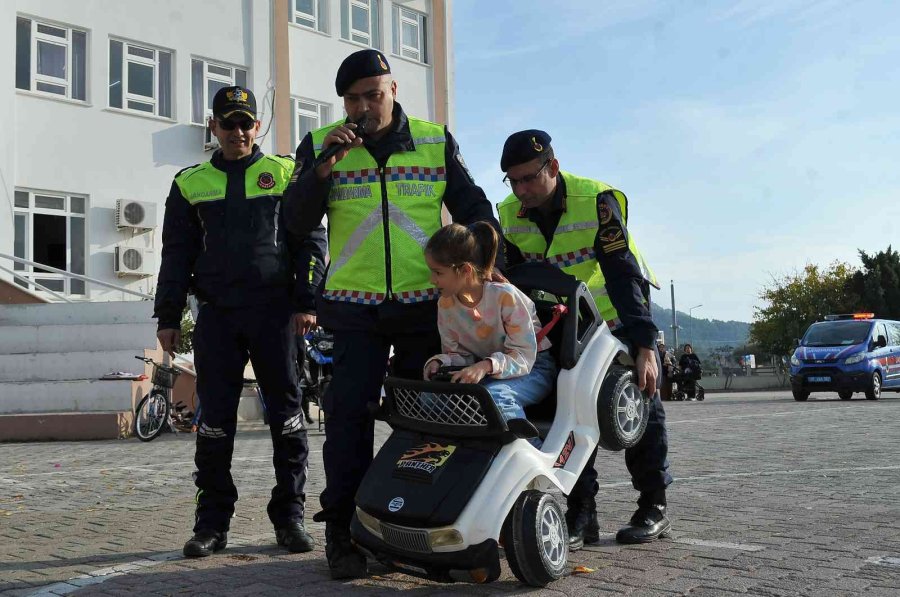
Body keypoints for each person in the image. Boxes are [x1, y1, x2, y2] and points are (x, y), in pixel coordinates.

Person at [283, 49, 501, 579]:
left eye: (373, 96)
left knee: (429, 422)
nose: (363, 108)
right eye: (352, 100)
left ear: (394, 91)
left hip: (425, 306)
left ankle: (422, 529)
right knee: (347, 421)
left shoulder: (433, 140)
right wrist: (320, 172)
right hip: (352, 308)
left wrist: (484, 263)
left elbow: (474, 207)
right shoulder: (319, 145)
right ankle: (343, 534)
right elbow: (292, 223)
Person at [154, 86, 326, 558]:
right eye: (227, 123)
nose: (237, 131)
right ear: (213, 127)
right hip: (217, 316)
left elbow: (311, 241)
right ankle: (211, 524)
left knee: (288, 418)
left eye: (245, 123)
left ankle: (289, 518)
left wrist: (307, 301)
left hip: (276, 315)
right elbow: (175, 254)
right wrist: (168, 315)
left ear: (257, 127)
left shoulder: (285, 173)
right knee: (213, 422)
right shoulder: (190, 182)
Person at [496, 129, 672, 550]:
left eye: (529, 179)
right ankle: (582, 513)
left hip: (617, 314)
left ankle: (654, 505)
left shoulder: (597, 201)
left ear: (553, 167)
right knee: (570, 412)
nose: (521, 191)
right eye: (513, 181)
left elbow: (623, 273)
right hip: (565, 323)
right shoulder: (508, 212)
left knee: (637, 403)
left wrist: (644, 346)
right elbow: (515, 282)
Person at [422, 222, 557, 444]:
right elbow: (460, 356)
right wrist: (440, 362)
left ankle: (533, 457)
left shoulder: (505, 296)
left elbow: (523, 357)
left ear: (465, 270)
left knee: (496, 398)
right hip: (488, 371)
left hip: (533, 368)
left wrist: (485, 366)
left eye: (438, 272)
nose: (432, 280)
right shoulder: (445, 304)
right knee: (430, 399)